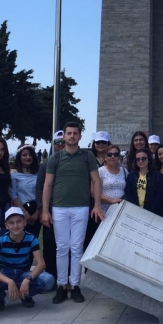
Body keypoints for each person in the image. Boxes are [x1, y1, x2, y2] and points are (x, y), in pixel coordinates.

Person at [41, 122, 104, 304]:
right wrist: (45, 210)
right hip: (59, 208)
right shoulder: (55, 158)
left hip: (81, 207)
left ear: (79, 136)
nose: (71, 136)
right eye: (69, 133)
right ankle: (62, 285)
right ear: (64, 136)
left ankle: (75, 285)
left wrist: (97, 205)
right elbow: (47, 185)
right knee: (62, 248)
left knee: (77, 248)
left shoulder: (87, 156)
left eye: (75, 133)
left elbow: (96, 181)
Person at [0, 207, 55, 311]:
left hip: (22, 274)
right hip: (4, 275)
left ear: (24, 222)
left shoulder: (31, 238)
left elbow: (41, 264)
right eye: (11, 223)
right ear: (6, 225)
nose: (15, 226)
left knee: (49, 280)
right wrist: (9, 281)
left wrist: (27, 280)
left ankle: (24, 295)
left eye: (19, 221)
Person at [35, 133, 65, 291]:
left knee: (66, 245)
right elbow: (40, 188)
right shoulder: (46, 164)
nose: (60, 144)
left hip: (67, 210)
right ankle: (51, 277)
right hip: (50, 210)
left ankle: (65, 278)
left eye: (63, 141)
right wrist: (42, 210)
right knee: (49, 244)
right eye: (57, 142)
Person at [11, 145, 41, 237]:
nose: (28, 157)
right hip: (21, 208)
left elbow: (42, 192)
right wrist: (25, 213)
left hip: (37, 208)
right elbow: (13, 195)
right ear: (19, 157)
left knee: (34, 238)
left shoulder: (38, 173)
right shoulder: (14, 174)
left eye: (30, 155)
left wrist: (37, 213)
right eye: (24, 155)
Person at [125, 149, 162, 214]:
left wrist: (151, 211)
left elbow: (159, 195)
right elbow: (128, 193)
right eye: (138, 159)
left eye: (143, 158)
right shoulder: (131, 175)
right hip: (134, 211)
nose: (141, 161)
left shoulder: (156, 175)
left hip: (152, 212)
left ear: (149, 160)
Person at [98, 145, 127, 215]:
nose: (112, 157)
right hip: (105, 210)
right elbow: (94, 192)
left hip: (121, 210)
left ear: (119, 157)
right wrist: (111, 200)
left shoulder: (125, 171)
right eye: (109, 154)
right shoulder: (100, 171)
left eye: (116, 154)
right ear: (105, 157)